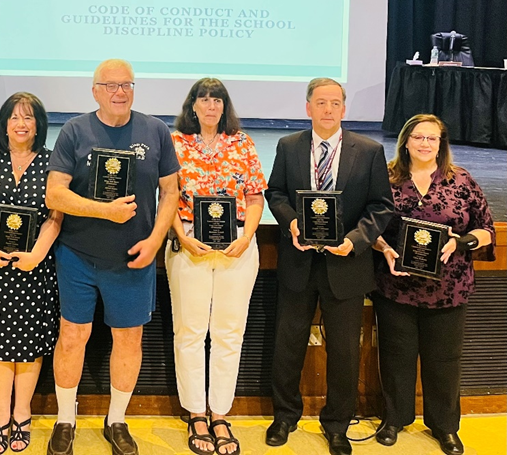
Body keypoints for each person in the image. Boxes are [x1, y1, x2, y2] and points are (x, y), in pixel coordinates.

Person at [44, 59, 180, 455]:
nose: (119, 92)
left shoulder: (155, 131)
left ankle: (117, 419)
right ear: (95, 91)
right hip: (78, 256)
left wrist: (155, 240)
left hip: (133, 259)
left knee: (129, 339)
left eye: (126, 85)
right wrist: (105, 211)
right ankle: (65, 419)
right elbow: (55, 194)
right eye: (110, 85)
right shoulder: (74, 130)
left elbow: (171, 192)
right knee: (72, 336)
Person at [264, 78, 393, 455]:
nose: (328, 109)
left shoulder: (368, 151)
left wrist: (354, 240)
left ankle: (337, 423)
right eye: (321, 102)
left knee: (344, 351)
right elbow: (276, 192)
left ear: (344, 109)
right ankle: (285, 415)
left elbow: (381, 205)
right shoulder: (289, 146)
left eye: (335, 103)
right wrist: (291, 223)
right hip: (298, 262)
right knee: (288, 344)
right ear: (308, 107)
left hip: (346, 266)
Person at [370, 114, 494, 455]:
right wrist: (384, 248)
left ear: (441, 144)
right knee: (395, 357)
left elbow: (486, 229)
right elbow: (369, 226)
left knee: (445, 360)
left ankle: (445, 427)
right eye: (418, 137)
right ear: (405, 141)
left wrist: (461, 242)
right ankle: (394, 419)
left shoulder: (461, 180)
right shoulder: (385, 178)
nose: (424, 143)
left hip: (448, 289)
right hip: (396, 285)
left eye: (432, 138)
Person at [165, 78, 266, 455]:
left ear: (225, 106)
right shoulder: (175, 143)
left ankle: (220, 414)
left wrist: (247, 236)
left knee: (229, 333)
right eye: (203, 99)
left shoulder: (242, 143)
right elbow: (167, 196)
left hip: (237, 245)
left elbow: (254, 197)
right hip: (189, 242)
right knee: (189, 332)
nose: (210, 106)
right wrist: (181, 234)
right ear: (192, 105)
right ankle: (196, 414)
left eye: (217, 100)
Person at [0, 92, 62, 454]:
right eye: (15, 117)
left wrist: (36, 254)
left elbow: (56, 216)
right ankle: (1, 414)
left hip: (34, 268)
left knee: (29, 346)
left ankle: (23, 413)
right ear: (4, 123)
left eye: (29, 117)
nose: (21, 124)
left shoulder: (52, 162)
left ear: (39, 126)